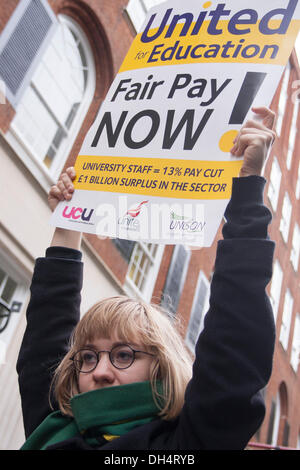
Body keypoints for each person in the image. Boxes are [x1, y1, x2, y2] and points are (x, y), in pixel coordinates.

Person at [17, 107, 277, 450]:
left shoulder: (187, 442)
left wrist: (246, 193)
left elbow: (234, 351)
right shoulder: (51, 426)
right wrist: (69, 223)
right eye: (88, 357)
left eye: (124, 355)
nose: (100, 372)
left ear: (162, 366)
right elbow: (46, 335)